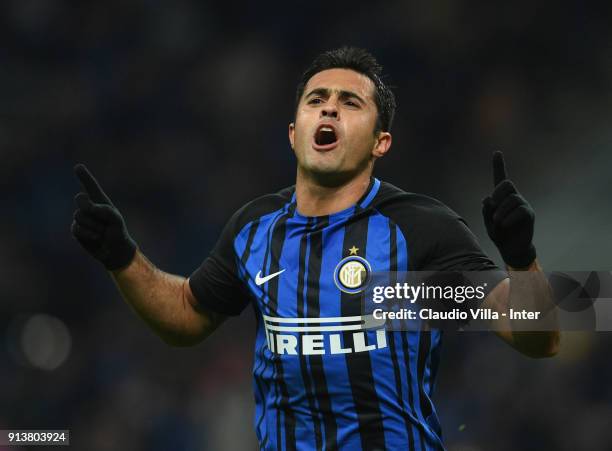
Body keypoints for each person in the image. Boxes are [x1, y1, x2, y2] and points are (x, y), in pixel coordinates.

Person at [71, 47, 559, 451]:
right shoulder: (253, 227)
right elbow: (186, 317)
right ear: (293, 132)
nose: (329, 108)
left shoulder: (420, 227)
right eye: (316, 99)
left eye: (350, 102)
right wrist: (123, 258)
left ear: (380, 142)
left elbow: (538, 338)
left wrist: (521, 259)